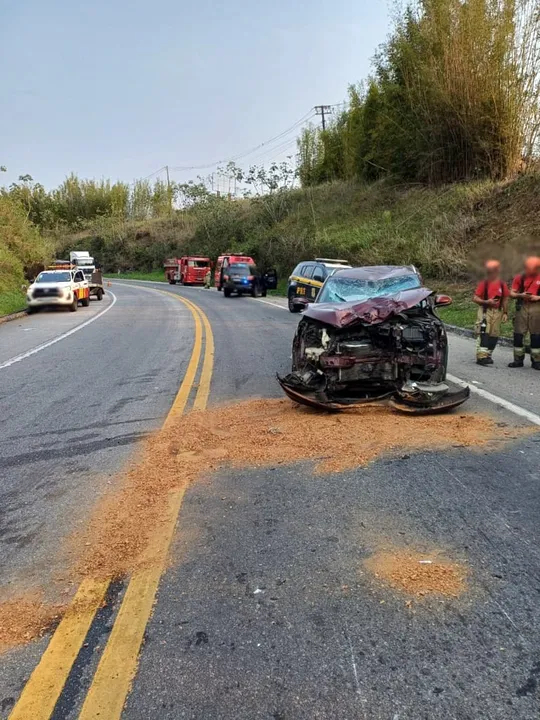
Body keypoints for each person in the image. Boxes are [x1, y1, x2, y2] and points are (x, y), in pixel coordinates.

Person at [472, 260, 509, 366]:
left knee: (494, 334)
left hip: (497, 312)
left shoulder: (502, 284)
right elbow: (475, 298)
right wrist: (486, 302)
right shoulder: (484, 283)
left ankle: (488, 355)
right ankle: (481, 357)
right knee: (484, 332)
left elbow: (505, 298)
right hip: (485, 310)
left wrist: (505, 312)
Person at [508, 256, 540, 370]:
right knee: (518, 334)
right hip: (522, 306)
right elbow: (511, 293)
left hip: (537, 307)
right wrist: (520, 295)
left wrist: (537, 297)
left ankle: (536, 360)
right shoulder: (519, 277)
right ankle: (518, 359)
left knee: (536, 335)